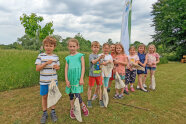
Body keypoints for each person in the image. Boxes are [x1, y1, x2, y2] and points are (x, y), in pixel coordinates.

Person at [35, 36, 60, 123]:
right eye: (46, 45)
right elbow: (37, 69)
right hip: (43, 82)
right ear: (44, 46)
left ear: (54, 47)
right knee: (44, 97)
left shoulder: (56, 57)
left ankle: (53, 112)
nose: (48, 47)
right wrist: (45, 63)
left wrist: (56, 67)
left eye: (51, 46)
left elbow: (58, 67)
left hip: (53, 81)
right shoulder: (40, 56)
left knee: (52, 96)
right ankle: (45, 113)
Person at [65, 38, 89, 119]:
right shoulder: (67, 57)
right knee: (71, 94)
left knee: (77, 94)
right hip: (70, 78)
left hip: (77, 77)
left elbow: (83, 67)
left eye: (74, 46)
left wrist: (81, 78)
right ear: (68, 47)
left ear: (77, 46)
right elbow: (66, 69)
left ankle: (82, 105)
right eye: (70, 46)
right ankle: (72, 108)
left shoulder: (80, 56)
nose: (72, 48)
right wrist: (66, 80)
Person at [87, 41, 105, 108]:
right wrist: (99, 58)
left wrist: (102, 64)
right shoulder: (91, 55)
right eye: (95, 47)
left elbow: (100, 65)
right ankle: (89, 100)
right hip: (92, 75)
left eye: (97, 47)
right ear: (92, 48)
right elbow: (94, 62)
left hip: (98, 75)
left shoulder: (99, 56)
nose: (96, 49)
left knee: (99, 87)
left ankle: (100, 99)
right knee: (90, 87)